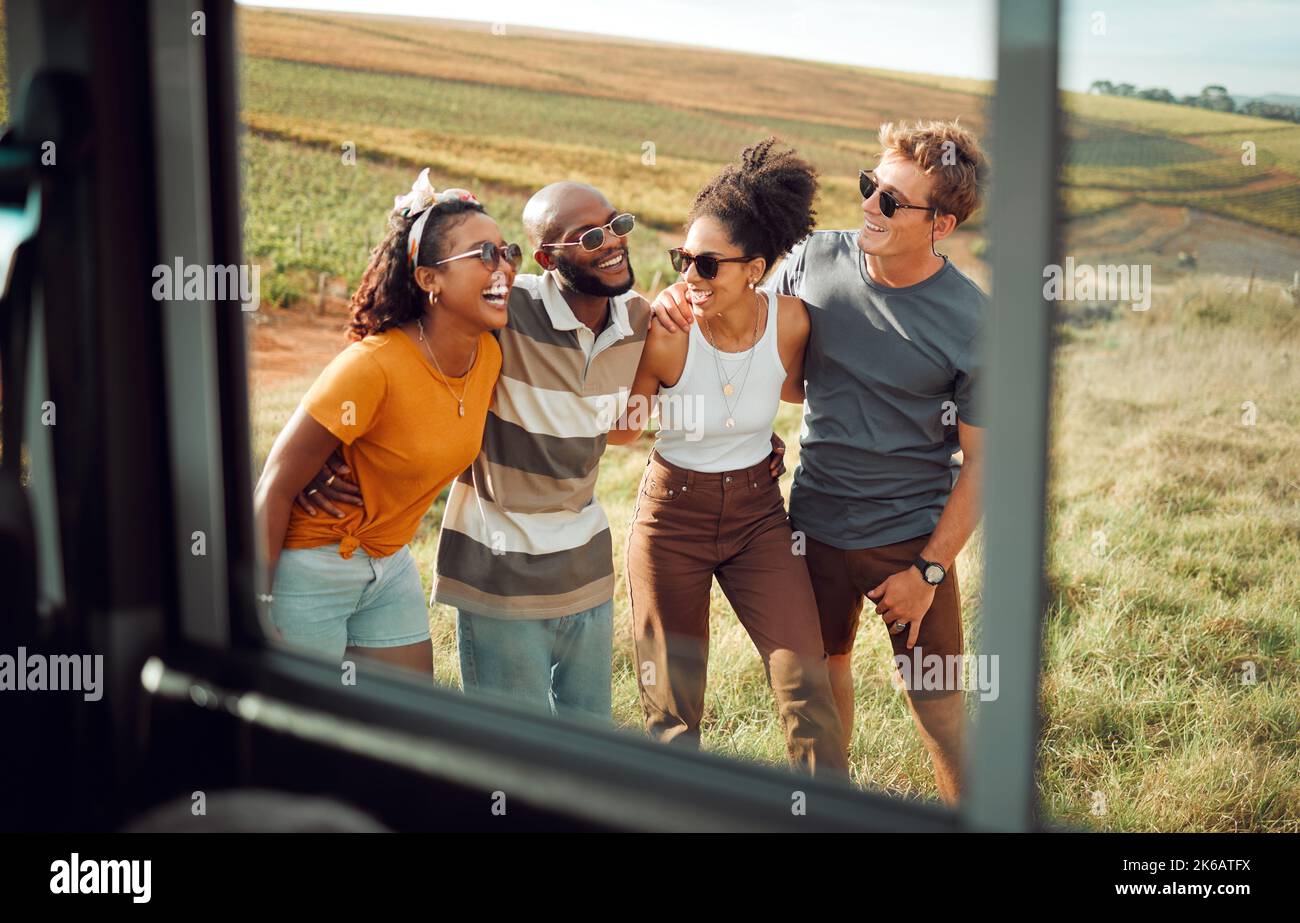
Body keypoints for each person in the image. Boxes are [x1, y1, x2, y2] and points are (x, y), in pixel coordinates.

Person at [652, 121, 988, 803]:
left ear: (942, 224)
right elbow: (767, 347)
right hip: (812, 526)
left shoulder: (974, 320)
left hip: (910, 539)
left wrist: (928, 570)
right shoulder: (814, 257)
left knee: (942, 711)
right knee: (824, 686)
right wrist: (680, 296)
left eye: (892, 201)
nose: (869, 205)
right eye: (870, 186)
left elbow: (986, 461)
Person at [609, 138, 847, 775]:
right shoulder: (664, 336)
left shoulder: (792, 323)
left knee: (807, 690)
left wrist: (760, 445)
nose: (690, 277)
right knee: (673, 714)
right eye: (682, 259)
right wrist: (636, 333)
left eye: (707, 264)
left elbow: (794, 391)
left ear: (755, 268)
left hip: (758, 520)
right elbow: (621, 434)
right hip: (670, 523)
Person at [254, 169, 518, 670]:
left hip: (390, 562)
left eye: (508, 252)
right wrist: (258, 608)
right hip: (310, 567)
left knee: (406, 725)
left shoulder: (488, 354)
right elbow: (273, 486)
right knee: (302, 737)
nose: (503, 267)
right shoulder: (372, 366)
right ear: (429, 279)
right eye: (484, 254)